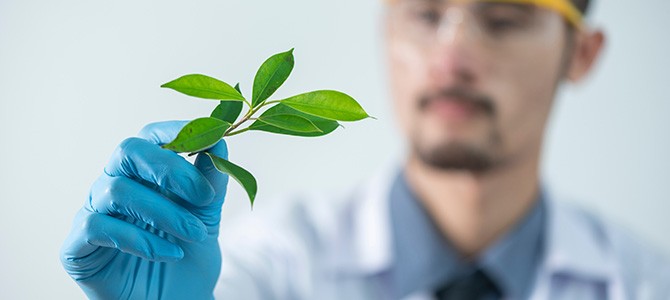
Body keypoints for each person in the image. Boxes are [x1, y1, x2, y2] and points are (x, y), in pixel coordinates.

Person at [60, 0, 670, 299]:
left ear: (581, 54)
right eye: (425, 14)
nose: (451, 58)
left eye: (504, 18)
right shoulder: (276, 267)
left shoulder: (645, 284)